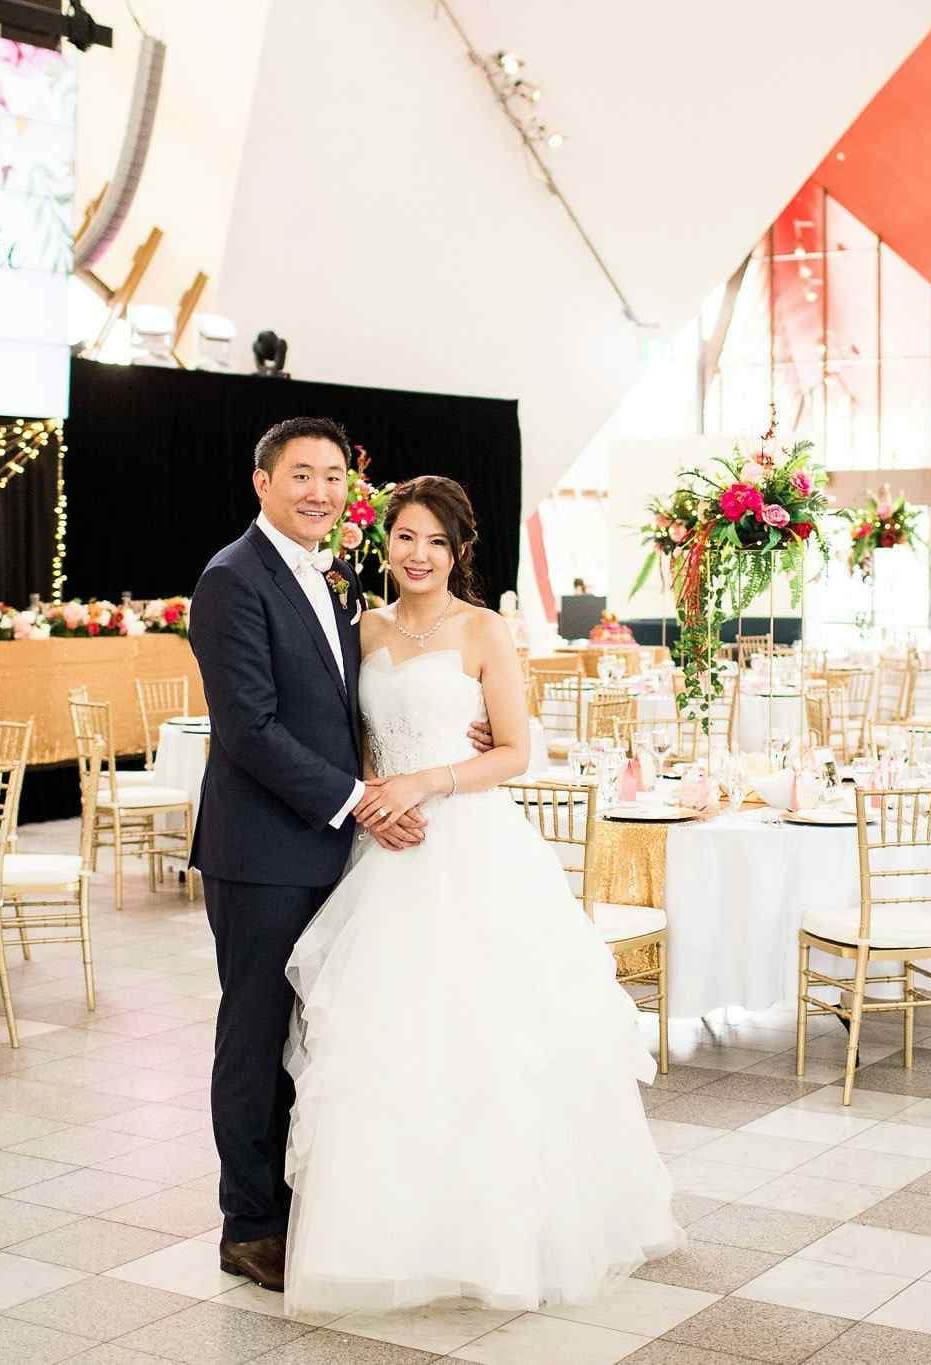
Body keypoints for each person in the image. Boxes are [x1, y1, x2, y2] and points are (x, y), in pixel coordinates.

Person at [282, 474, 680, 1314]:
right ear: (382, 544)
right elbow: (347, 740)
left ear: (459, 550)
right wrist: (372, 794)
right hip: (386, 847)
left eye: (434, 540)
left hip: (469, 843)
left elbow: (515, 752)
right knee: (387, 1047)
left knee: (488, 1040)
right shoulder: (361, 630)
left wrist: (429, 778)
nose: (417, 555)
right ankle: (395, 1238)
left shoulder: (485, 630)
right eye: (403, 538)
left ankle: (503, 1240)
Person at [187, 418, 490, 1293]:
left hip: (332, 848)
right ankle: (248, 1225)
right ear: (262, 483)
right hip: (262, 851)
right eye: (300, 474)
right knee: (251, 1035)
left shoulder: (336, 582)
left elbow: (345, 708)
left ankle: (300, 1205)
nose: (319, 490)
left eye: (331, 476)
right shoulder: (231, 578)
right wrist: (361, 798)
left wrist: (449, 724)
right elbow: (249, 728)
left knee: (313, 1035)